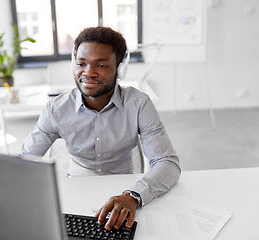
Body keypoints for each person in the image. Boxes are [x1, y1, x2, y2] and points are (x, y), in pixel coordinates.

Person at [20, 26, 180, 231]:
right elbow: (25, 160)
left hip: (126, 189)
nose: (88, 73)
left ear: (120, 68)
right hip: (76, 189)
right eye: (81, 63)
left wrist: (134, 195)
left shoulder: (139, 104)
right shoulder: (56, 109)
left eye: (101, 65)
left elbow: (167, 163)